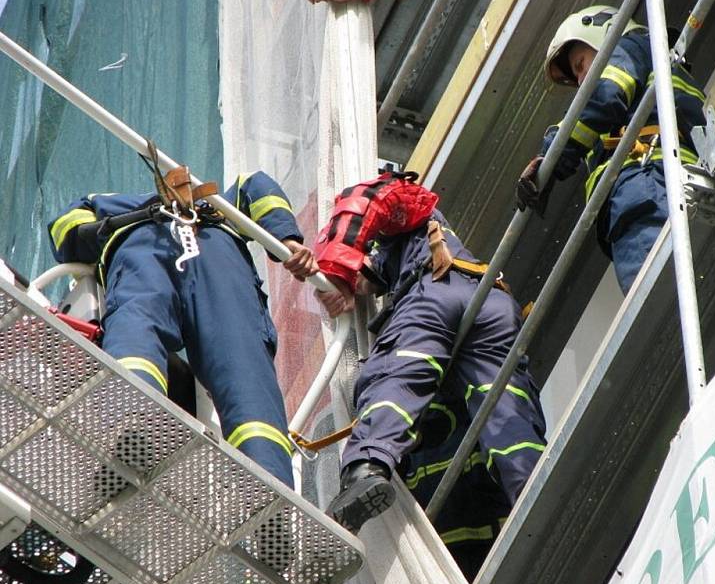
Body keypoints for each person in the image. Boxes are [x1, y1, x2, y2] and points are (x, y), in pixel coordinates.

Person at [48, 165, 317, 488]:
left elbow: (69, 234)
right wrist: (284, 237)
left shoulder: (110, 205)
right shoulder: (219, 206)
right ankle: (270, 491)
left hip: (145, 250)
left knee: (138, 333)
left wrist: (286, 238)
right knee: (241, 368)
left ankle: (132, 427)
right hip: (202, 255)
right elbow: (255, 186)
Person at [314, 171, 547, 543]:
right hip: (493, 303)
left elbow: (367, 198)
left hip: (437, 292)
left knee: (397, 376)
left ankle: (367, 467)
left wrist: (334, 271)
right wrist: (353, 281)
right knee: (504, 404)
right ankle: (531, 484)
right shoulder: (409, 249)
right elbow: (371, 276)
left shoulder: (406, 209)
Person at [517, 4, 706, 294]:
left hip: (644, 184)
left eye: (580, 65)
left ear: (605, 35)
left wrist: (551, 159)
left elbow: (604, 97)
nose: (581, 81)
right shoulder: (655, 61)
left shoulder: (630, 48)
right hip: (663, 180)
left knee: (654, 296)